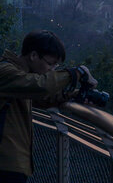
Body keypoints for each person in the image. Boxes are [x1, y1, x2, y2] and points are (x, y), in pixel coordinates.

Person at [0, 30, 97, 183]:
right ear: (33, 56)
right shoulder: (6, 72)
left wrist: (72, 95)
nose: (51, 69)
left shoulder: (20, 77)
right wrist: (74, 74)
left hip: (11, 163)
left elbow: (41, 97)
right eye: (50, 64)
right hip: (5, 164)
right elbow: (40, 86)